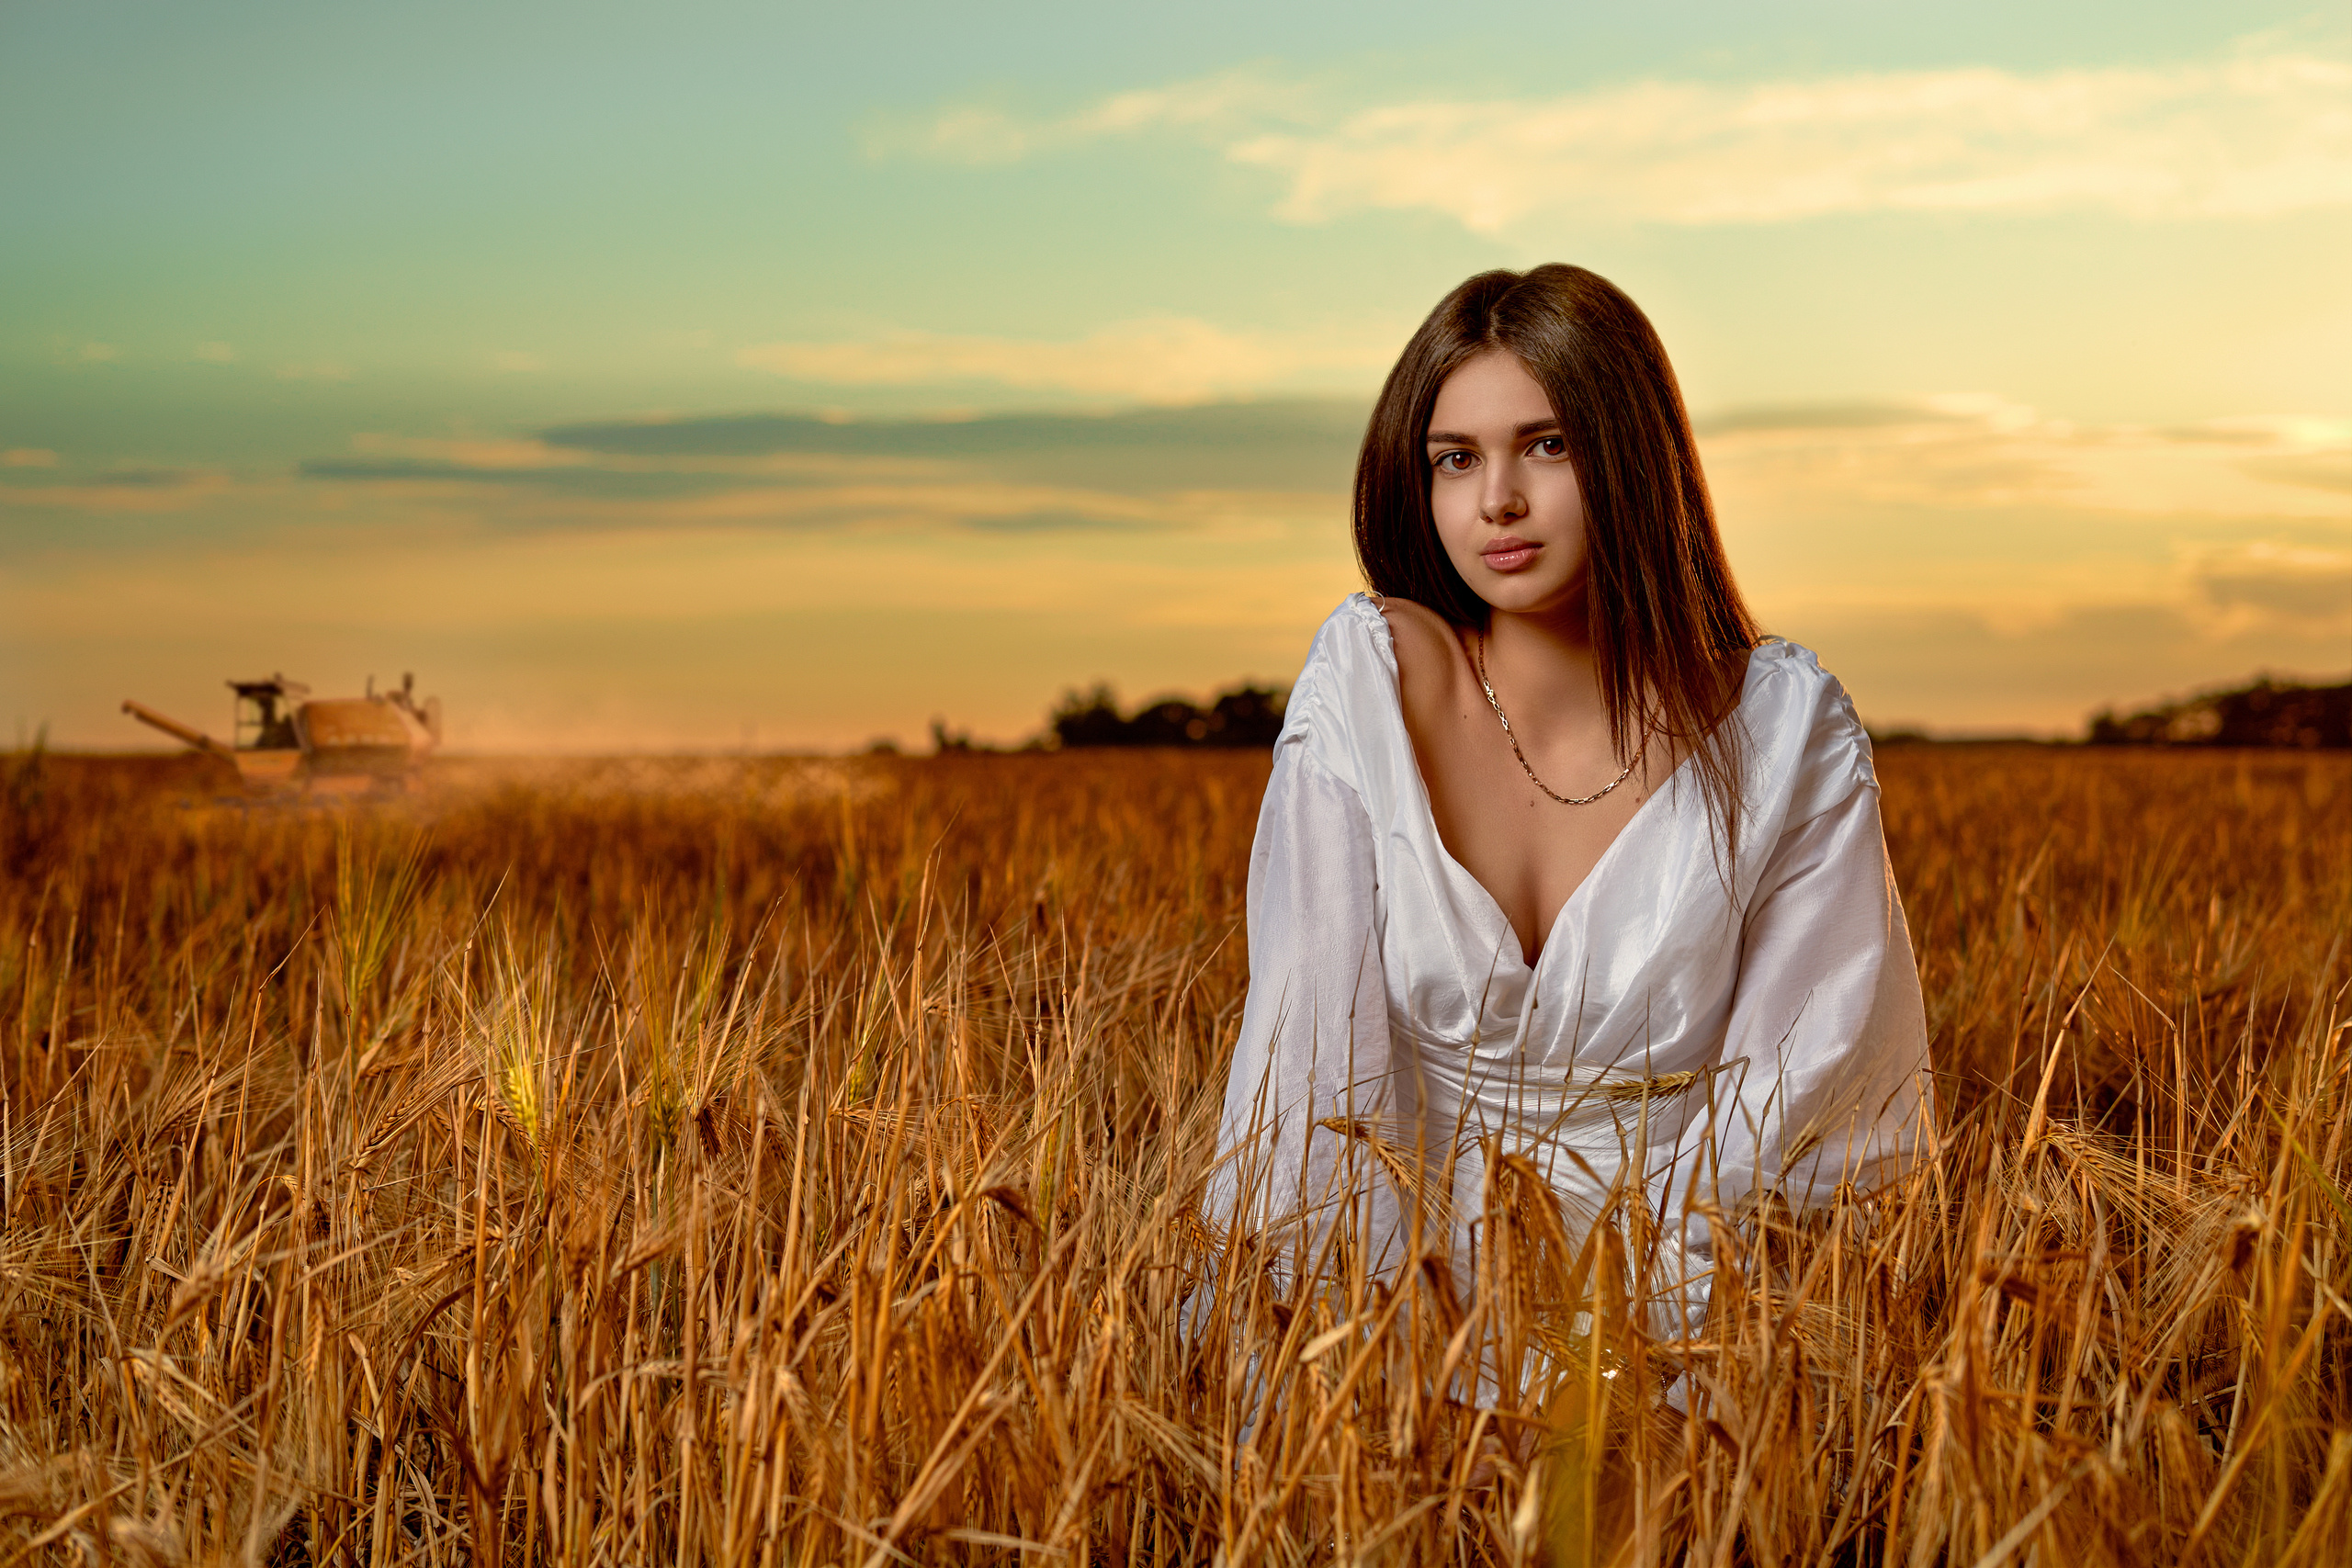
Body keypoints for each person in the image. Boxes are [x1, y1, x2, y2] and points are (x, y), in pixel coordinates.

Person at [1206, 265, 1932, 1348]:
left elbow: (1806, 1104)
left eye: (1546, 446)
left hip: (1695, 1313)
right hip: (1392, 1311)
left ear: (1634, 455)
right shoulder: (1370, 685)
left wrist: (1653, 1367)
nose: (1496, 498)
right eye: (1455, 459)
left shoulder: (1781, 730)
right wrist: (1360, 1368)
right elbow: (1308, 1072)